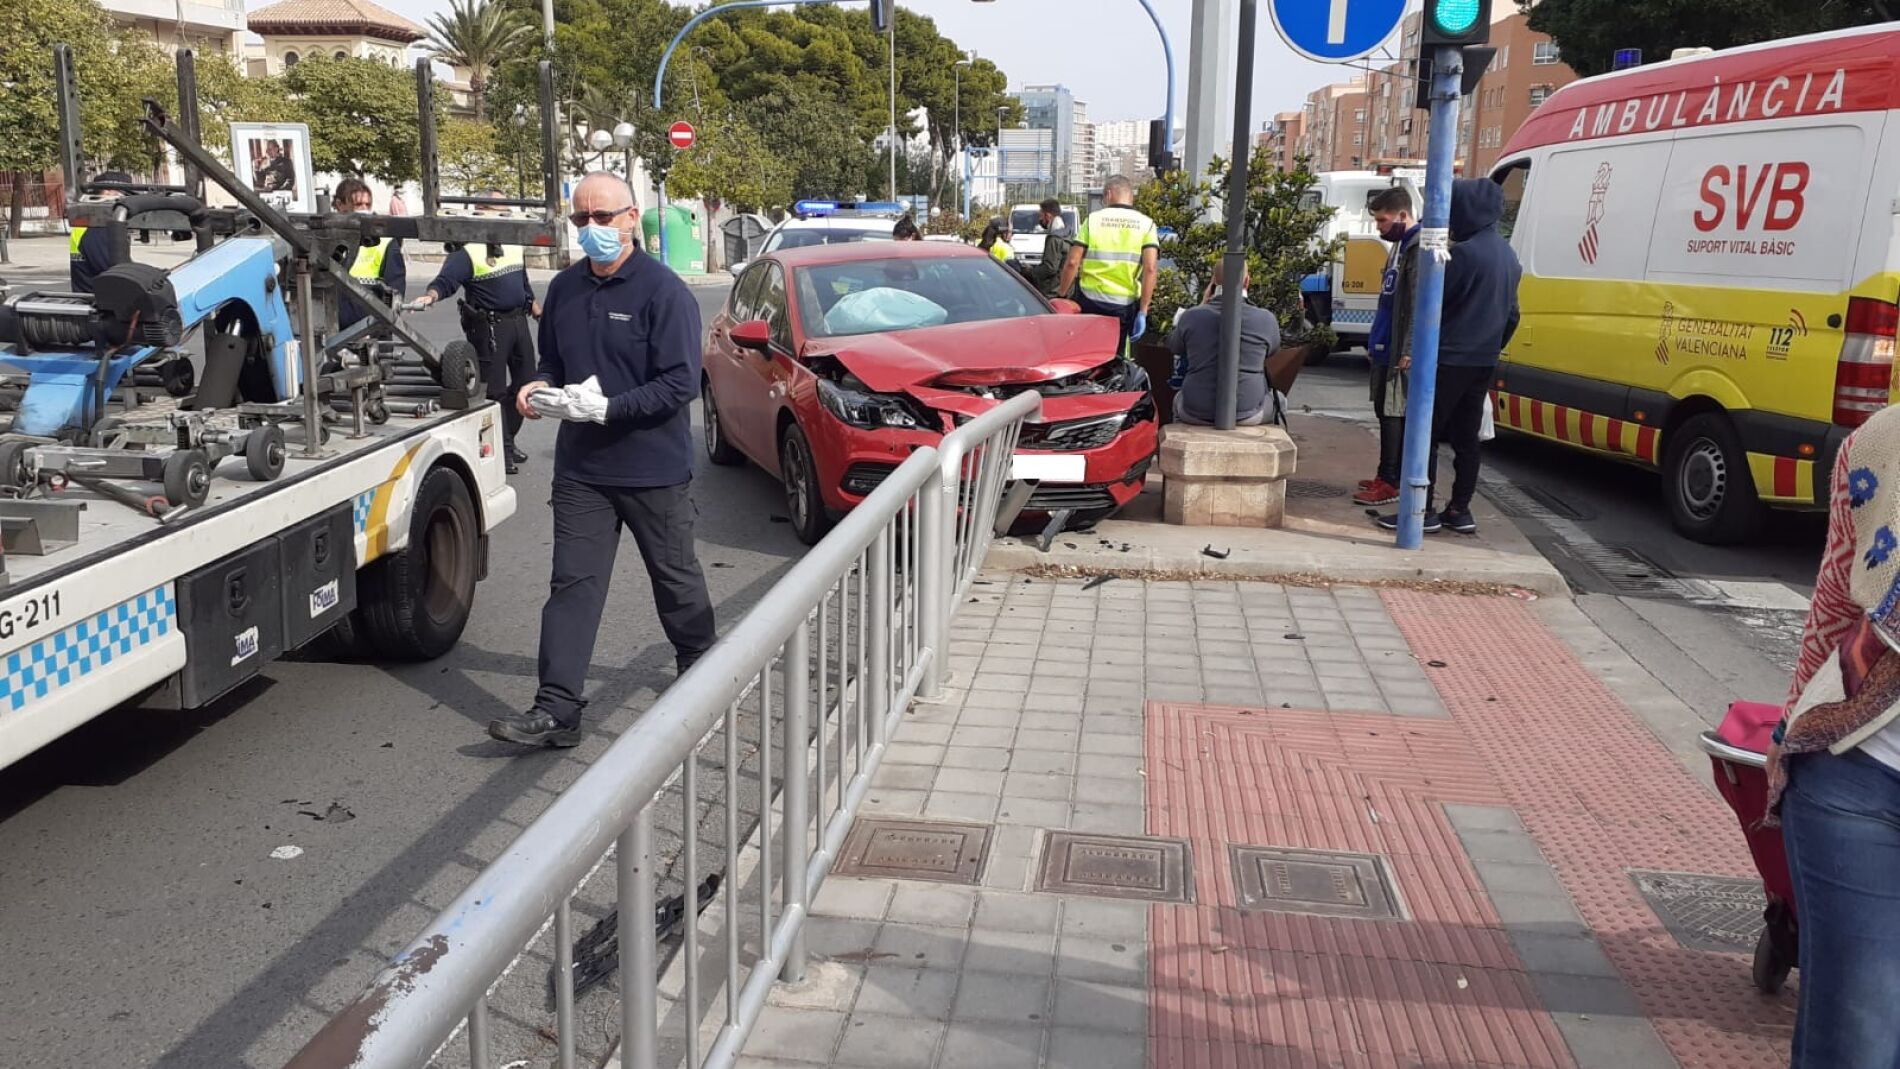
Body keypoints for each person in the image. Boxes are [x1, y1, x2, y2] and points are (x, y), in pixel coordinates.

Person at [486, 172, 716, 750]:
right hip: (582, 472)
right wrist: (536, 389)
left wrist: (611, 409)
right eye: (580, 220)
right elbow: (552, 365)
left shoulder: (665, 293)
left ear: (632, 218)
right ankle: (557, 710)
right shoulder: (564, 290)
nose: (592, 229)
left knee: (676, 580)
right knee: (572, 586)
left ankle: (705, 672)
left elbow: (681, 383)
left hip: (652, 470)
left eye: (603, 218)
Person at [1769, 401, 1900, 1068]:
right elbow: (1836, 599)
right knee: (1858, 1043)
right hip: (1856, 775)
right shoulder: (1880, 440)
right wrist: (1792, 722)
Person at [1376, 178, 1520, 536]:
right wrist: (1491, 345)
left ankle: (1421, 510)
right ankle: (1460, 509)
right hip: (1483, 359)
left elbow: (1432, 305)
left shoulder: (1463, 254)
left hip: (1448, 356)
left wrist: (1421, 348)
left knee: (1422, 431)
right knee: (1466, 438)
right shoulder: (1508, 256)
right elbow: (1513, 315)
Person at [411, 191, 538, 475]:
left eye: (506, 211)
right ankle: (502, 449)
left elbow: (523, 282)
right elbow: (447, 280)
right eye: (497, 209)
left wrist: (534, 306)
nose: (503, 216)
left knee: (526, 386)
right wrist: (431, 296)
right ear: (481, 211)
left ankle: (508, 439)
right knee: (493, 392)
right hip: (489, 327)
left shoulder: (512, 242)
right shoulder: (468, 250)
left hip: (518, 324)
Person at [1354, 187, 1420, 509]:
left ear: (1403, 215)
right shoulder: (1399, 248)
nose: (1379, 227)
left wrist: (1408, 348)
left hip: (1398, 351)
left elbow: (1419, 304)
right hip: (1384, 344)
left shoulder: (1417, 249)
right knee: (1384, 411)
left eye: (1383, 220)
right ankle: (1385, 474)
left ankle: (1391, 480)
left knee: (1394, 413)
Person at [1167, 257, 1280, 426]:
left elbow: (1174, 346)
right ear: (1247, 281)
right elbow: (1273, 350)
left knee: (1178, 399)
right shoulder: (1265, 319)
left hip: (1195, 410)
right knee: (1281, 401)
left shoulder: (1192, 317)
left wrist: (1201, 304)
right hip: (1248, 411)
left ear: (1213, 282)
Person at [1058, 175, 1159, 358]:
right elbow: (1150, 268)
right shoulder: (1147, 224)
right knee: (1116, 358)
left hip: (1089, 301)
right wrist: (1143, 311)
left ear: (1109, 194)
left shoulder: (1093, 220)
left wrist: (1062, 294)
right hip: (1123, 305)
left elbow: (1072, 262)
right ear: (1131, 196)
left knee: (1087, 356)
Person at [331, 177, 406, 334]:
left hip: (371, 332)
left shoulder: (385, 242)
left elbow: (395, 292)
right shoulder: (327, 240)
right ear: (340, 205)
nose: (365, 209)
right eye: (358, 205)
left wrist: (379, 328)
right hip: (334, 329)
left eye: (368, 204)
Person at [69, 170, 131, 295]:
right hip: (101, 301)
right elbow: (116, 270)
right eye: (125, 194)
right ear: (108, 192)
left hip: (90, 294)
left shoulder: (88, 221)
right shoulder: (98, 225)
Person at [1016, 198, 1076, 298]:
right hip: (1067, 290)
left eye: (1041, 215)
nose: (1040, 220)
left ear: (1048, 216)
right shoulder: (1068, 234)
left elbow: (1050, 268)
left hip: (1052, 292)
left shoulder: (1054, 238)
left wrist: (1031, 271)